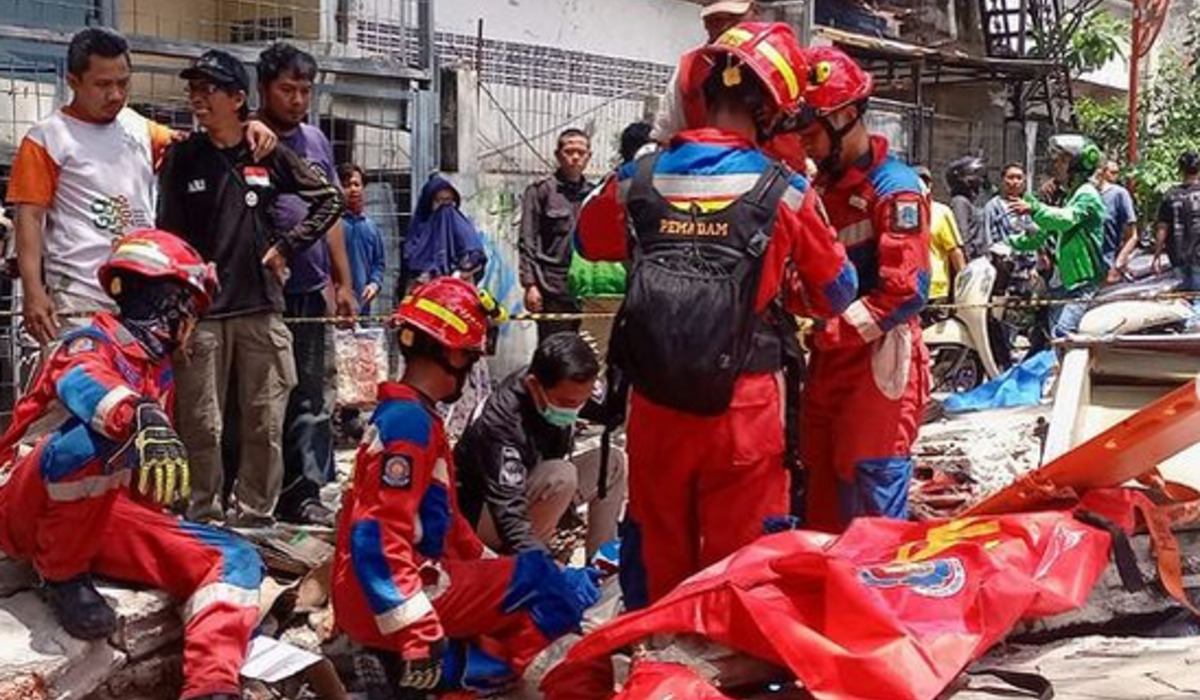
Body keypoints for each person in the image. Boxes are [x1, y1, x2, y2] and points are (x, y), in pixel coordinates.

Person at [576, 23, 858, 608]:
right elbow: (837, 291)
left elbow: (587, 239)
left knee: (658, 554)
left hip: (655, 406)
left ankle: (656, 672)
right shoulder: (785, 191)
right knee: (743, 564)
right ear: (772, 111)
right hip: (744, 408)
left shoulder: (639, 178)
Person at [0, 229, 262, 700]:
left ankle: (212, 686)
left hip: (99, 516)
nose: (192, 326)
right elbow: (87, 385)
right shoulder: (85, 344)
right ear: (174, 307)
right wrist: (139, 415)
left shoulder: (153, 369)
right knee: (96, 440)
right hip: (24, 510)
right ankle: (61, 574)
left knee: (235, 558)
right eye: (192, 311)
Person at [332, 277, 600, 698]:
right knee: (547, 586)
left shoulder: (411, 416)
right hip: (394, 596)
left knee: (527, 579)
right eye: (473, 355)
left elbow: (447, 523)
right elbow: (378, 536)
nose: (475, 365)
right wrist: (416, 632)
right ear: (452, 352)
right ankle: (461, 673)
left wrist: (490, 564)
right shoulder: (410, 426)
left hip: (381, 593)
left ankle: (441, 665)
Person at [157, 49, 343, 525]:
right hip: (202, 316)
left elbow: (328, 200)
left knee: (266, 422)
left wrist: (286, 247)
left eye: (209, 89)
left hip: (262, 308)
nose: (197, 98)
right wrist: (178, 306)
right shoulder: (182, 157)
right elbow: (169, 238)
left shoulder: (265, 151)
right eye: (193, 89)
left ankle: (257, 516)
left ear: (237, 99)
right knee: (203, 425)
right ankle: (204, 514)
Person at [5, 27, 276, 347]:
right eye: (103, 85)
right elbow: (29, 219)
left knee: (143, 395)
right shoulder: (47, 138)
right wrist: (34, 293)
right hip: (81, 299)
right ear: (74, 82)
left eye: (123, 83)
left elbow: (204, 143)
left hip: (147, 295)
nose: (116, 95)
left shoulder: (139, 127)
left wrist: (248, 123)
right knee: (87, 392)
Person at [794, 46, 931, 533]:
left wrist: (831, 331)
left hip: (877, 359)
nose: (805, 144)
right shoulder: (821, 190)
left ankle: (870, 601)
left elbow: (907, 290)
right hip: (829, 355)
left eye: (810, 132)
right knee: (823, 482)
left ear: (846, 116)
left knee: (871, 489)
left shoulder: (894, 189)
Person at [255, 42, 357, 526]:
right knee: (263, 399)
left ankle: (306, 492)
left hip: (310, 291)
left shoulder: (315, 142)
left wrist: (343, 282)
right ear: (263, 89)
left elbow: (332, 212)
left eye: (305, 90)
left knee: (312, 398)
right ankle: (258, 492)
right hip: (259, 294)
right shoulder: (246, 140)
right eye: (286, 89)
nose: (297, 100)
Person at [454, 332, 627, 559]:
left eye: (582, 402)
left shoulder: (567, 386)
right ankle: (527, 562)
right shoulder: (501, 421)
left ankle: (601, 563)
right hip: (483, 513)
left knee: (613, 463)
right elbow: (508, 511)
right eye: (568, 403)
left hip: (529, 491)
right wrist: (544, 569)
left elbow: (612, 412)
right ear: (534, 386)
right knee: (560, 475)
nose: (576, 409)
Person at [1006, 135, 1106, 338]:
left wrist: (1033, 208)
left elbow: (1064, 219)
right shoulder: (1070, 195)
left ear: (1078, 164)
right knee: (1049, 334)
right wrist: (1008, 243)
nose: (1056, 164)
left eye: (1062, 160)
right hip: (1063, 281)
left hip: (1083, 283)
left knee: (1063, 333)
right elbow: (1047, 232)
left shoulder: (1087, 194)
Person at [519, 129, 593, 344]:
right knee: (553, 348)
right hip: (551, 288)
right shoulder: (541, 192)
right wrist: (530, 285)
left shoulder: (594, 193)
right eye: (569, 151)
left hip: (585, 288)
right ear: (558, 154)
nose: (575, 157)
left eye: (581, 152)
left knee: (584, 352)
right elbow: (527, 240)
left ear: (589, 156)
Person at [651, 0, 759, 142]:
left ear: (754, 13)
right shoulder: (690, 70)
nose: (724, 26)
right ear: (705, 23)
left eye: (732, 17)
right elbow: (666, 138)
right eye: (715, 19)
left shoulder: (781, 58)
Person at [402, 174, 487, 293]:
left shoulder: (460, 226)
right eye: (439, 201)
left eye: (449, 201)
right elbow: (411, 265)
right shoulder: (418, 233)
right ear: (428, 203)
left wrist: (458, 274)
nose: (445, 208)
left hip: (456, 296)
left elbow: (475, 255)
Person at [340, 163, 387, 313]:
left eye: (356, 184)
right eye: (346, 185)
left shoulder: (371, 227)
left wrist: (374, 284)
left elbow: (378, 263)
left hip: (363, 307)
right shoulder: (332, 226)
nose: (353, 189)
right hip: (337, 305)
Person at [1150, 152, 1200, 291]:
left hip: (1178, 256)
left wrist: (1157, 256)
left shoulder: (1170, 196)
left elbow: (1162, 229)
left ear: (1180, 169)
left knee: (1183, 298)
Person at [916, 166, 966, 304]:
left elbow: (954, 250)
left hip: (936, 288)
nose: (922, 185)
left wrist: (964, 284)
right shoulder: (901, 211)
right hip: (908, 287)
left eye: (926, 182)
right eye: (917, 180)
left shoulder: (942, 212)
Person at [982, 162, 1038, 246]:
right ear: (1002, 180)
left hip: (1029, 256)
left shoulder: (1030, 204)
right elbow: (988, 237)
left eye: (1019, 178)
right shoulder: (993, 206)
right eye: (1011, 177)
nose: (1015, 182)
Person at [1098, 159, 1137, 277]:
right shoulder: (1087, 194)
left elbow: (1132, 235)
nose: (1115, 176)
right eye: (1112, 172)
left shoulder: (1119, 194)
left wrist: (1118, 263)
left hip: (1107, 265)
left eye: (1117, 173)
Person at [946, 155, 987, 259]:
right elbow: (962, 237)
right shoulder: (960, 202)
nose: (980, 180)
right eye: (975, 175)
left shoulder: (970, 203)